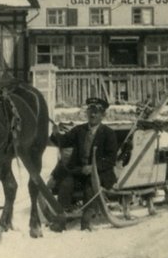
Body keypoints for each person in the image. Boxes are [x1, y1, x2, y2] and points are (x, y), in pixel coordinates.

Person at [49, 96, 120, 232]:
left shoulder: (108, 134)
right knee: (66, 184)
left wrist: (93, 167)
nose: (92, 115)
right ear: (87, 113)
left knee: (89, 188)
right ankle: (61, 217)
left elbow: (111, 160)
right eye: (90, 111)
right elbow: (63, 142)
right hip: (79, 172)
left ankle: (88, 217)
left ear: (102, 115)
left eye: (96, 112)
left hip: (99, 175)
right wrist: (55, 134)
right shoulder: (79, 130)